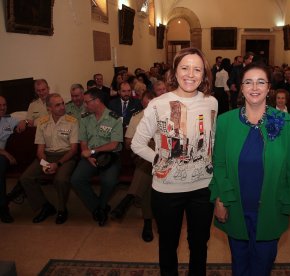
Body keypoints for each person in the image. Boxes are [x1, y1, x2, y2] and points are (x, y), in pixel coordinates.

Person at [210, 62, 290, 276]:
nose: (254, 87)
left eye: (260, 82)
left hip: (270, 206)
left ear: (268, 88)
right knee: (239, 264)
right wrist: (221, 200)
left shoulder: (283, 119)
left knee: (262, 265)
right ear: (241, 87)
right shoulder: (225, 121)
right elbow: (218, 165)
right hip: (236, 206)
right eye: (248, 82)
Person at [131, 47, 218, 276]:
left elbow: (211, 141)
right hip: (167, 189)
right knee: (168, 245)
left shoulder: (212, 103)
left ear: (204, 74)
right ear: (174, 71)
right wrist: (159, 158)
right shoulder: (158, 104)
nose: (191, 74)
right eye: (185, 67)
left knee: (199, 244)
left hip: (203, 188)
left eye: (197, 69)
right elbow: (137, 143)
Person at [20, 93, 79, 224]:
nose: (62, 107)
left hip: (66, 157)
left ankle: (62, 210)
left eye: (62, 103)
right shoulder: (42, 122)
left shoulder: (72, 122)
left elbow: (74, 149)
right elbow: (40, 150)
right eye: (57, 105)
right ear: (49, 108)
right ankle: (45, 206)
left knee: (61, 179)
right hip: (46, 156)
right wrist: (45, 163)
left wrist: (57, 164)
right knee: (26, 178)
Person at [71, 88, 123, 227]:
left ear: (97, 101)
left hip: (109, 156)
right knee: (76, 179)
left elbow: (113, 144)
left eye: (87, 102)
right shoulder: (85, 118)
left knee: (109, 181)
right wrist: (87, 155)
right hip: (90, 156)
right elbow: (83, 141)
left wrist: (92, 151)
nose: (85, 105)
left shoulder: (115, 119)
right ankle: (99, 208)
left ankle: (99, 208)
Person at [111, 91, 156, 242]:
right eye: (146, 104)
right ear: (142, 104)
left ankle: (132, 198)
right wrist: (143, 142)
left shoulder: (166, 116)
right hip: (141, 156)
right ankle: (149, 221)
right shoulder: (137, 118)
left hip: (160, 158)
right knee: (147, 154)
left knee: (146, 177)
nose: (150, 107)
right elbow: (128, 143)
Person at [0, 96, 26, 223]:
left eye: (4, 105)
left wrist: (23, 123)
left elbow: (23, 121)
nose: (2, 107)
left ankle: (3, 208)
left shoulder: (8, 121)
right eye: (0, 105)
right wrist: (6, 154)